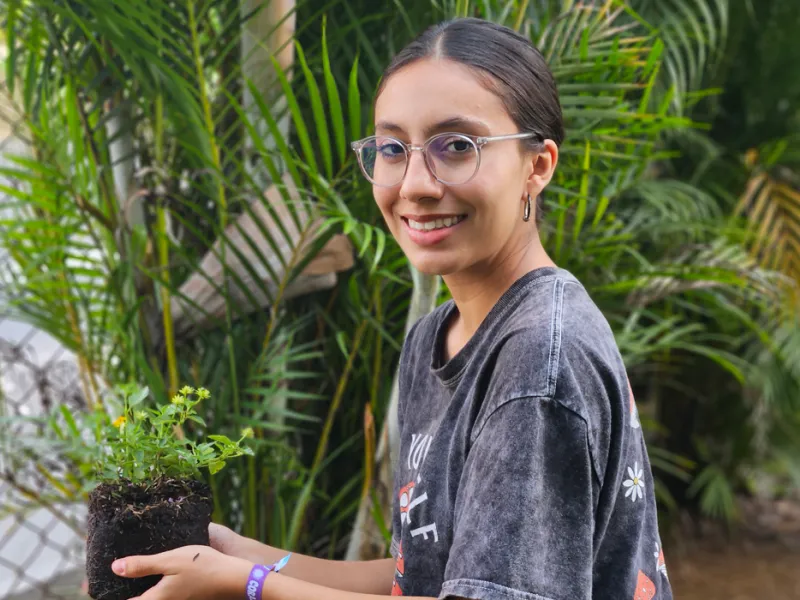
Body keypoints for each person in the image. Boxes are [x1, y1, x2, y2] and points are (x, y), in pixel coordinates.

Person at [111, 17, 672, 600]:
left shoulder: (536, 360)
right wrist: (241, 555)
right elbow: (424, 577)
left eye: (458, 146)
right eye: (392, 148)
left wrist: (247, 587)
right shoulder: (439, 336)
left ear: (538, 166)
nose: (415, 184)